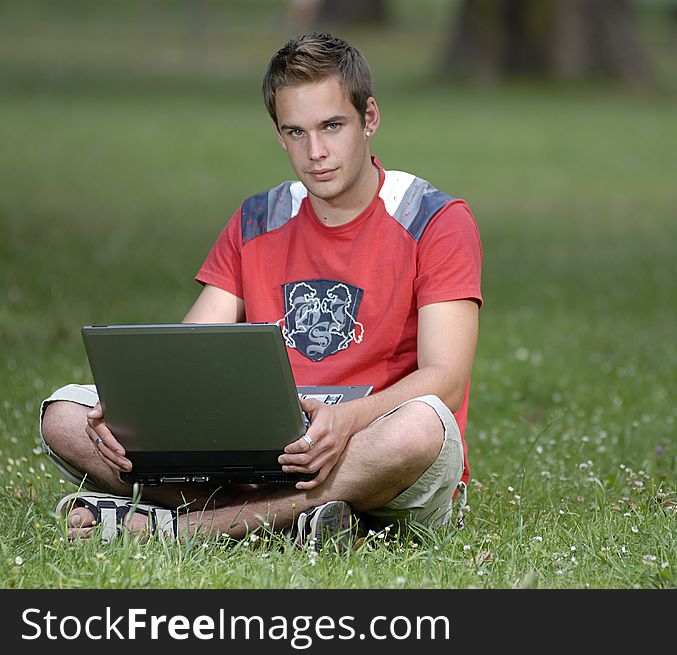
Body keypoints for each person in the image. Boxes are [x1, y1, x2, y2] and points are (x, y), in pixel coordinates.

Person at [39, 32, 482, 550]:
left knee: (422, 427)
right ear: (278, 135)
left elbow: (445, 382)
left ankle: (189, 527)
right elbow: (186, 354)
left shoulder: (436, 219)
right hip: (261, 451)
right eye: (296, 132)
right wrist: (132, 408)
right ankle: (298, 521)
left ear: (370, 118)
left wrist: (346, 420)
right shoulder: (257, 218)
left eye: (332, 126)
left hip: (367, 444)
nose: (316, 152)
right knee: (64, 415)